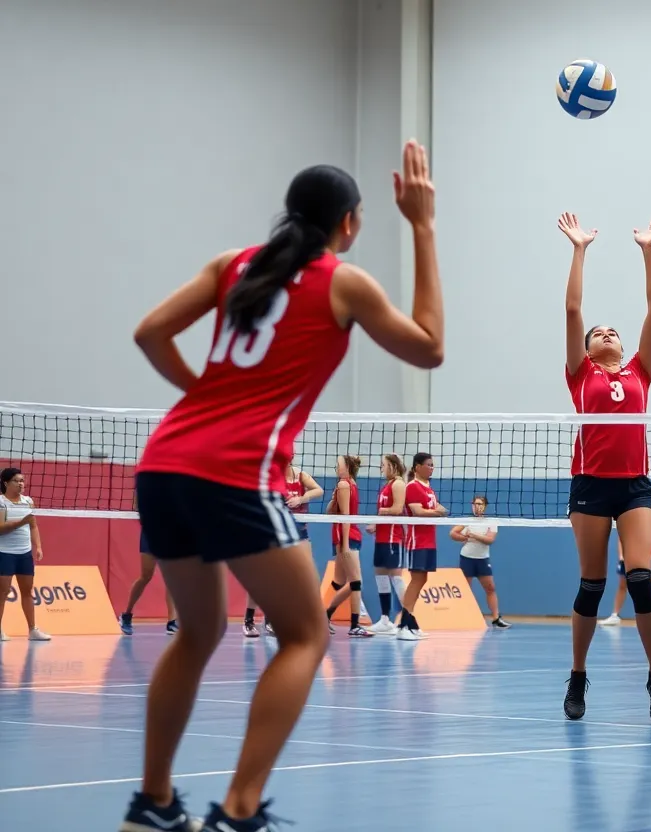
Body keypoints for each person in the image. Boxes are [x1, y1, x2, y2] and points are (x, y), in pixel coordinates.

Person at [120, 141, 443, 832]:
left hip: (164, 464)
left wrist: (203, 395)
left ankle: (152, 804)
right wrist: (422, 225)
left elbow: (149, 333)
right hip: (235, 473)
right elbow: (430, 346)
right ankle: (237, 811)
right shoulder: (342, 281)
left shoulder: (232, 265)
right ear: (349, 224)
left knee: (198, 632)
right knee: (304, 636)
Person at [557, 209, 651, 723]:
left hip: (634, 488)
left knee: (641, 577)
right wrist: (580, 249)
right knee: (592, 586)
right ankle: (578, 677)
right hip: (589, 486)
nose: (605, 333)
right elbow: (573, 308)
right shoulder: (580, 375)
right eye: (598, 332)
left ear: (624, 347)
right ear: (586, 350)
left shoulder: (641, 372)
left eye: (612, 332)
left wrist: (648, 251)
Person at [243, 455, 322, 637]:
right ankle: (249, 620)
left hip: (299, 531)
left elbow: (318, 490)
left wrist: (301, 499)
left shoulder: (300, 475)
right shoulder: (271, 478)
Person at [396, 452, 448, 641]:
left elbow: (440, 509)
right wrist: (436, 512)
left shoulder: (429, 489)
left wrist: (435, 511)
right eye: (428, 465)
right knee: (416, 580)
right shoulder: (413, 487)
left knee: (422, 580)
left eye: (433, 465)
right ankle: (403, 625)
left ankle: (411, 623)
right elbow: (418, 512)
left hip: (429, 540)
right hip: (416, 541)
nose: (431, 468)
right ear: (417, 467)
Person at [322, 454, 372, 637]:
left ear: (348, 467)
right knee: (356, 582)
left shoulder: (347, 484)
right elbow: (334, 513)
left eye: (339, 465)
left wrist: (343, 543)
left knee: (342, 582)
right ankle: (354, 625)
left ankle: (324, 616)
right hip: (346, 536)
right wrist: (343, 544)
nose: (337, 468)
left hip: (348, 535)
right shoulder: (344, 484)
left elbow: (345, 517)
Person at [0, 467, 51, 642]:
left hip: (24, 554)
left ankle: (32, 630)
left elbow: (33, 526)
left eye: (22, 480)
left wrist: (38, 546)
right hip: (5, 553)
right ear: (6, 483)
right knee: (3, 592)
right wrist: (22, 522)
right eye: (17, 480)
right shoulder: (1, 502)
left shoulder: (28, 501)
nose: (21, 484)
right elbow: (0, 529)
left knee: (27, 592)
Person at [121, 492, 179, 636]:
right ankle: (127, 614)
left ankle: (172, 621)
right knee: (146, 575)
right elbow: (137, 505)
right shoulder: (148, 478)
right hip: (151, 532)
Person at [451, 495, 511, 629]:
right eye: (475, 504)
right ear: (472, 505)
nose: (477, 507)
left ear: (485, 506)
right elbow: (452, 533)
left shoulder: (491, 522)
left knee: (490, 588)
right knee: (466, 590)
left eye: (480, 504)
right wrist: (463, 537)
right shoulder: (467, 521)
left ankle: (496, 619)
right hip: (466, 558)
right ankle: (463, 617)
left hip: (482, 560)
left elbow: (489, 540)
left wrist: (473, 535)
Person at [368, 453, 409, 635]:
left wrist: (383, 512)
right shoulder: (387, 485)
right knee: (380, 575)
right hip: (382, 537)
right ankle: (385, 620)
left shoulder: (399, 484)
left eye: (383, 465)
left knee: (396, 577)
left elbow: (398, 509)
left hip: (393, 538)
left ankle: (410, 620)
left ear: (392, 465)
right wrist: (376, 525)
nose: (381, 468)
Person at [603, 530, 651, 626]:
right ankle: (614, 616)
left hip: (650, 559)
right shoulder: (625, 522)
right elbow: (621, 539)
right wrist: (621, 555)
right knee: (622, 585)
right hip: (628, 556)